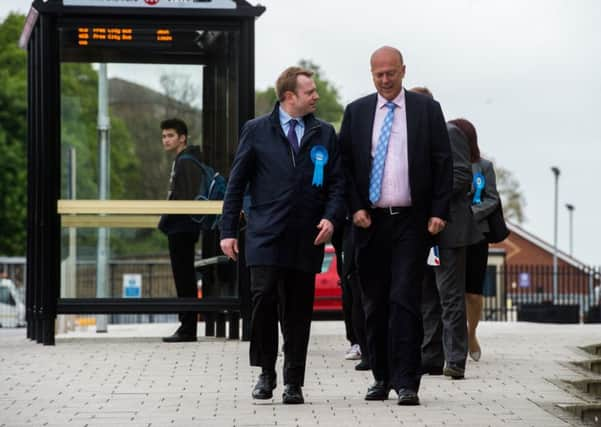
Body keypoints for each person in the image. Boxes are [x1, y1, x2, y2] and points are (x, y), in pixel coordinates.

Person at [220, 66, 345, 404]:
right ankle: (265, 371)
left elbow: (337, 184)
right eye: (310, 92)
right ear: (290, 97)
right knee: (262, 301)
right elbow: (236, 183)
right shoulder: (257, 130)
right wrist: (228, 230)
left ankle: (293, 381)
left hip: (306, 236)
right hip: (264, 234)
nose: (316, 96)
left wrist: (331, 219)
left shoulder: (324, 133)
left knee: (298, 310)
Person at [340, 47, 452, 405]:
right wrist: (355, 208)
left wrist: (439, 210)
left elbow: (442, 162)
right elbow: (343, 167)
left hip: (411, 222)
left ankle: (407, 381)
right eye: (379, 75)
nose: (385, 80)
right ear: (371, 75)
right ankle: (380, 376)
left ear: (403, 71)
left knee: (404, 298)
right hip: (369, 223)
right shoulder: (356, 113)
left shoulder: (426, 111)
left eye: (391, 73)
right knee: (374, 303)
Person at [158, 118, 204, 343]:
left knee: (184, 277)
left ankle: (187, 328)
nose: (165, 140)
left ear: (182, 138)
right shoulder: (184, 159)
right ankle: (186, 326)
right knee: (184, 277)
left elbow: (186, 198)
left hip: (182, 228)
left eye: (170, 136)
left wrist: (169, 219)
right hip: (182, 227)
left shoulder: (186, 161)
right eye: (164, 136)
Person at [459, 118, 500, 363]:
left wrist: (470, 213)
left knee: (473, 292)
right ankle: (452, 339)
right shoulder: (445, 162)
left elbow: (492, 198)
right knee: (452, 291)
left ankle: (471, 333)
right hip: (450, 234)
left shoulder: (484, 166)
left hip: (477, 234)